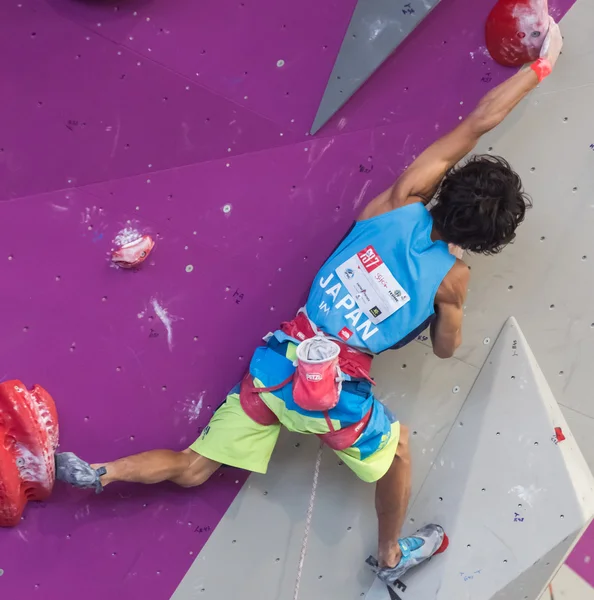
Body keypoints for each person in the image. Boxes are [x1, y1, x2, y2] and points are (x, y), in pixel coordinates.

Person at [56, 20, 563, 589]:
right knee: (396, 460)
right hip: (335, 395)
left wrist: (541, 66)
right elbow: (446, 350)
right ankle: (392, 554)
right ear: (487, 237)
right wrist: (449, 308)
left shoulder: (401, 198)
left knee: (195, 467)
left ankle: (102, 470)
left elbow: (478, 123)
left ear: (452, 187)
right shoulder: (454, 278)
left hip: (281, 360)